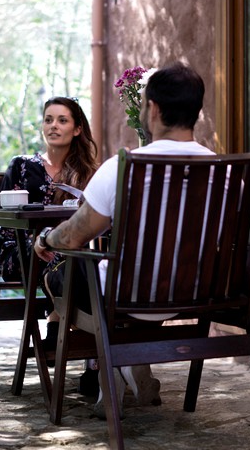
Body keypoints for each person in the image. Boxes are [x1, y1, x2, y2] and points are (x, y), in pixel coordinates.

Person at [33, 62, 214, 415]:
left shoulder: (123, 166)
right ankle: (126, 365)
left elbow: (75, 234)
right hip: (197, 295)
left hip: (128, 295)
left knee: (60, 276)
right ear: (196, 111)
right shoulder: (229, 172)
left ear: (153, 109)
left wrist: (45, 240)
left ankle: (116, 364)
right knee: (105, 278)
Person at [0, 96, 99, 388]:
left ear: (77, 129)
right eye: (48, 120)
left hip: (68, 256)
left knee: (80, 261)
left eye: (62, 120)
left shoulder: (87, 173)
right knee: (76, 263)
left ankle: (58, 333)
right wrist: (34, 240)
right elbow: (2, 221)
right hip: (22, 253)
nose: (53, 126)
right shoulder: (22, 165)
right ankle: (93, 359)